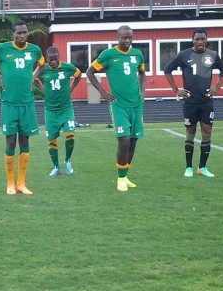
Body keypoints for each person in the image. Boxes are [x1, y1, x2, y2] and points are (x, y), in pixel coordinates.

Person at [0, 20, 44, 195]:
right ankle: (10, 183)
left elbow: (42, 64)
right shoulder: (3, 49)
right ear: (13, 34)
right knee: (10, 141)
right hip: (9, 103)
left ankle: (21, 183)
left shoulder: (34, 50)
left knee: (25, 141)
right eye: (19, 33)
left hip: (27, 103)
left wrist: (34, 77)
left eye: (25, 33)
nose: (22, 36)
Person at [86, 25, 146, 192]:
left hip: (136, 105)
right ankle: (120, 178)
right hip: (119, 105)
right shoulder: (108, 55)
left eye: (130, 38)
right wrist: (103, 92)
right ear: (117, 37)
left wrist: (142, 91)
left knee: (133, 141)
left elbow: (142, 72)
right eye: (124, 38)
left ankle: (125, 176)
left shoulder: (137, 54)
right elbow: (90, 72)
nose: (127, 41)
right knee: (124, 140)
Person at [164, 28, 223, 178]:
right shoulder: (184, 55)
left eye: (202, 39)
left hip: (206, 102)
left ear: (206, 40)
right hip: (190, 102)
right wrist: (176, 90)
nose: (200, 42)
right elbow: (167, 70)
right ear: (192, 40)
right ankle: (188, 168)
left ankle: (202, 167)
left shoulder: (212, 55)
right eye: (197, 39)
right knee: (190, 133)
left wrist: (216, 87)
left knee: (207, 133)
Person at [35, 46, 82, 177]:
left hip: (66, 109)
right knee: (52, 140)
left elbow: (78, 75)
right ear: (46, 59)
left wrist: (70, 89)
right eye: (50, 60)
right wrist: (43, 90)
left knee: (70, 134)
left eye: (55, 59)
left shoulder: (67, 67)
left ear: (59, 57)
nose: (53, 62)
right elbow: (33, 79)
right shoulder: (42, 69)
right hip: (50, 111)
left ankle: (67, 161)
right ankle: (56, 167)